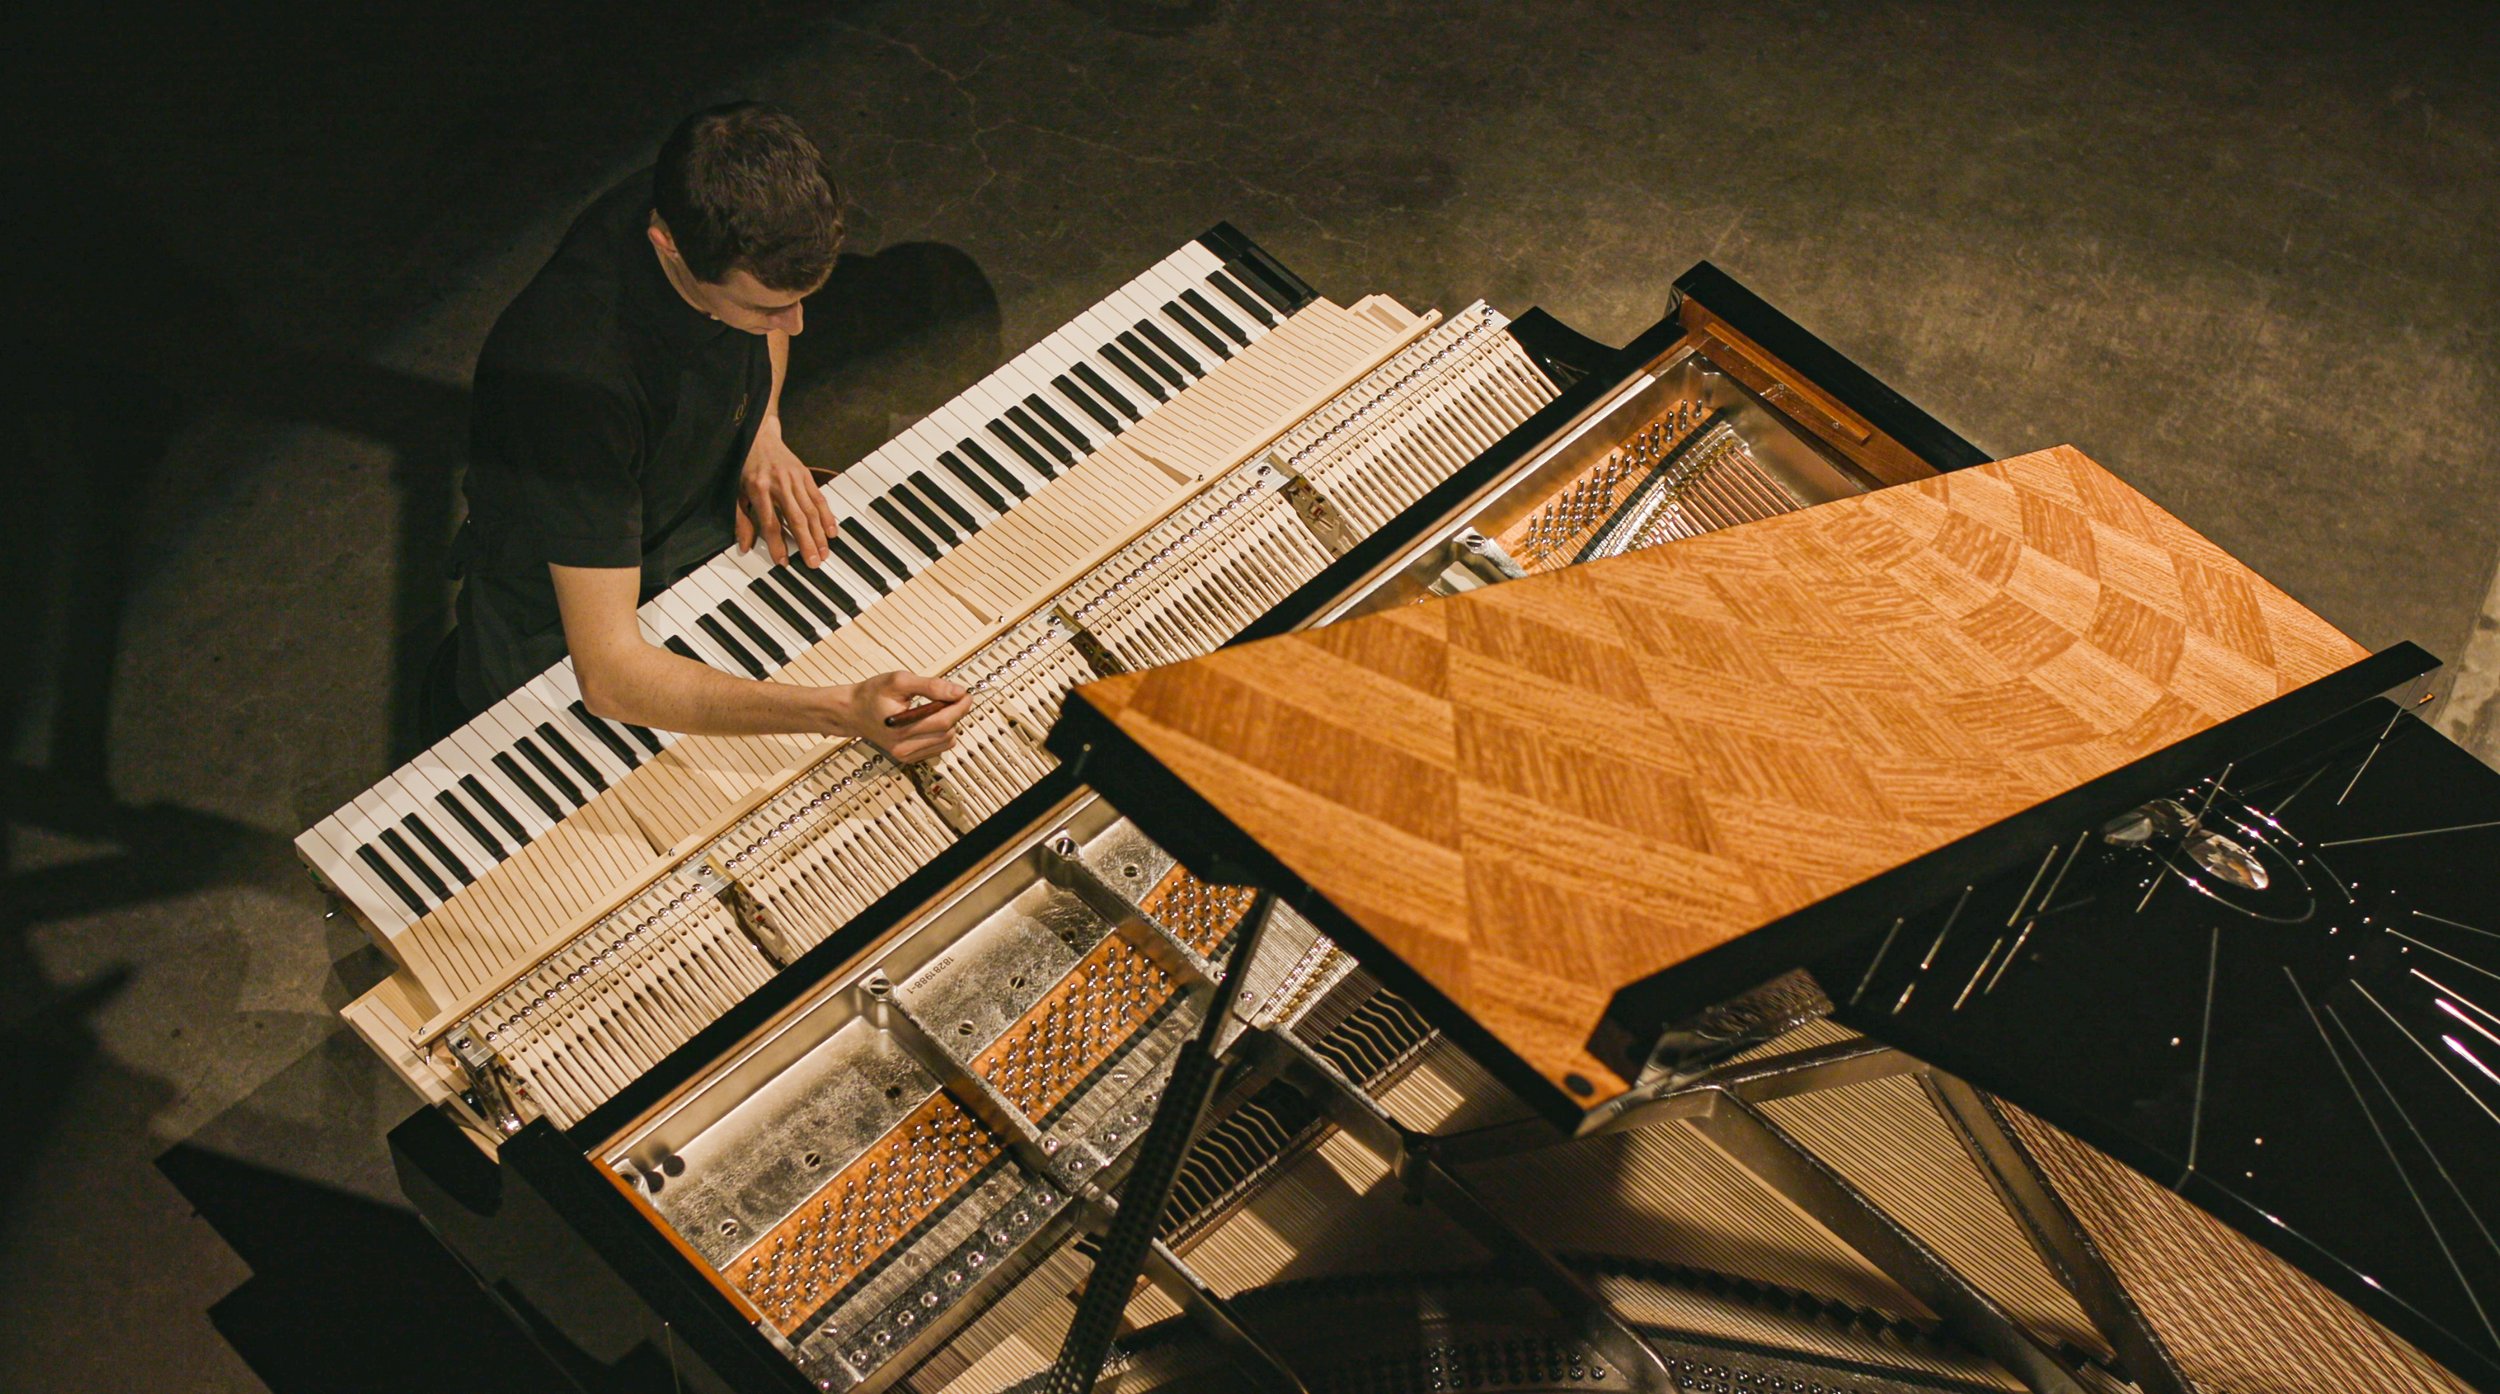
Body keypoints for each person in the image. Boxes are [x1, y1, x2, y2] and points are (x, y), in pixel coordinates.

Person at [441, 102, 965, 762]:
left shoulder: (709, 202)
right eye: (767, 307)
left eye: (803, 299)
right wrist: (839, 711)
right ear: (668, 246)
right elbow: (610, 676)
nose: (796, 326)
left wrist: (763, 428)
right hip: (558, 606)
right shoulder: (571, 380)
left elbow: (767, 326)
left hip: (685, 510)